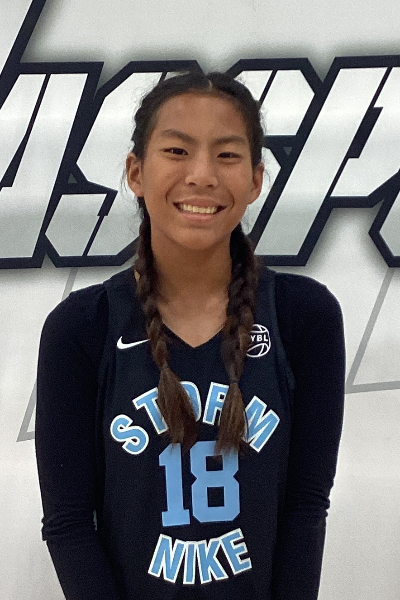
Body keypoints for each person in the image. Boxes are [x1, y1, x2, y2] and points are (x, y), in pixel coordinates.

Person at [35, 71, 345, 600]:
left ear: (255, 180)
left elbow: (305, 506)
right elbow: (68, 524)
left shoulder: (304, 317)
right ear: (136, 172)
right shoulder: (80, 328)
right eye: (177, 151)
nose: (201, 175)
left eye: (227, 155)